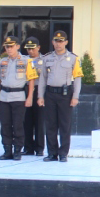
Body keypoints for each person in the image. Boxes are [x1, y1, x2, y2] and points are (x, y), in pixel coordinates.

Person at [36, 31, 82, 162]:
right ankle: (52, 153)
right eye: (56, 41)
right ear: (53, 42)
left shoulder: (73, 58)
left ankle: (63, 153)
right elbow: (43, 79)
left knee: (64, 125)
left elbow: (77, 78)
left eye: (61, 41)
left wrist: (76, 96)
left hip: (65, 94)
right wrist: (40, 96)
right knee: (50, 125)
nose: (58, 44)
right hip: (50, 94)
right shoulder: (47, 58)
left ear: (66, 42)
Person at [0, 35, 38, 161]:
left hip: (18, 96)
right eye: (7, 47)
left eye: (11, 46)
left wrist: (29, 97)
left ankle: (17, 150)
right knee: (5, 125)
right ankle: (7, 150)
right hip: (4, 97)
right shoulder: (1, 62)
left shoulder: (26, 61)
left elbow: (31, 80)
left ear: (18, 47)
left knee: (18, 125)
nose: (9, 49)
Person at [21, 37, 45, 156]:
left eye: (33, 48)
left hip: (39, 91)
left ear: (38, 47)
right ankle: (28, 147)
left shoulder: (44, 60)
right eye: (28, 49)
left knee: (39, 121)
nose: (30, 51)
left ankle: (39, 147)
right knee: (27, 121)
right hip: (25, 90)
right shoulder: (23, 60)